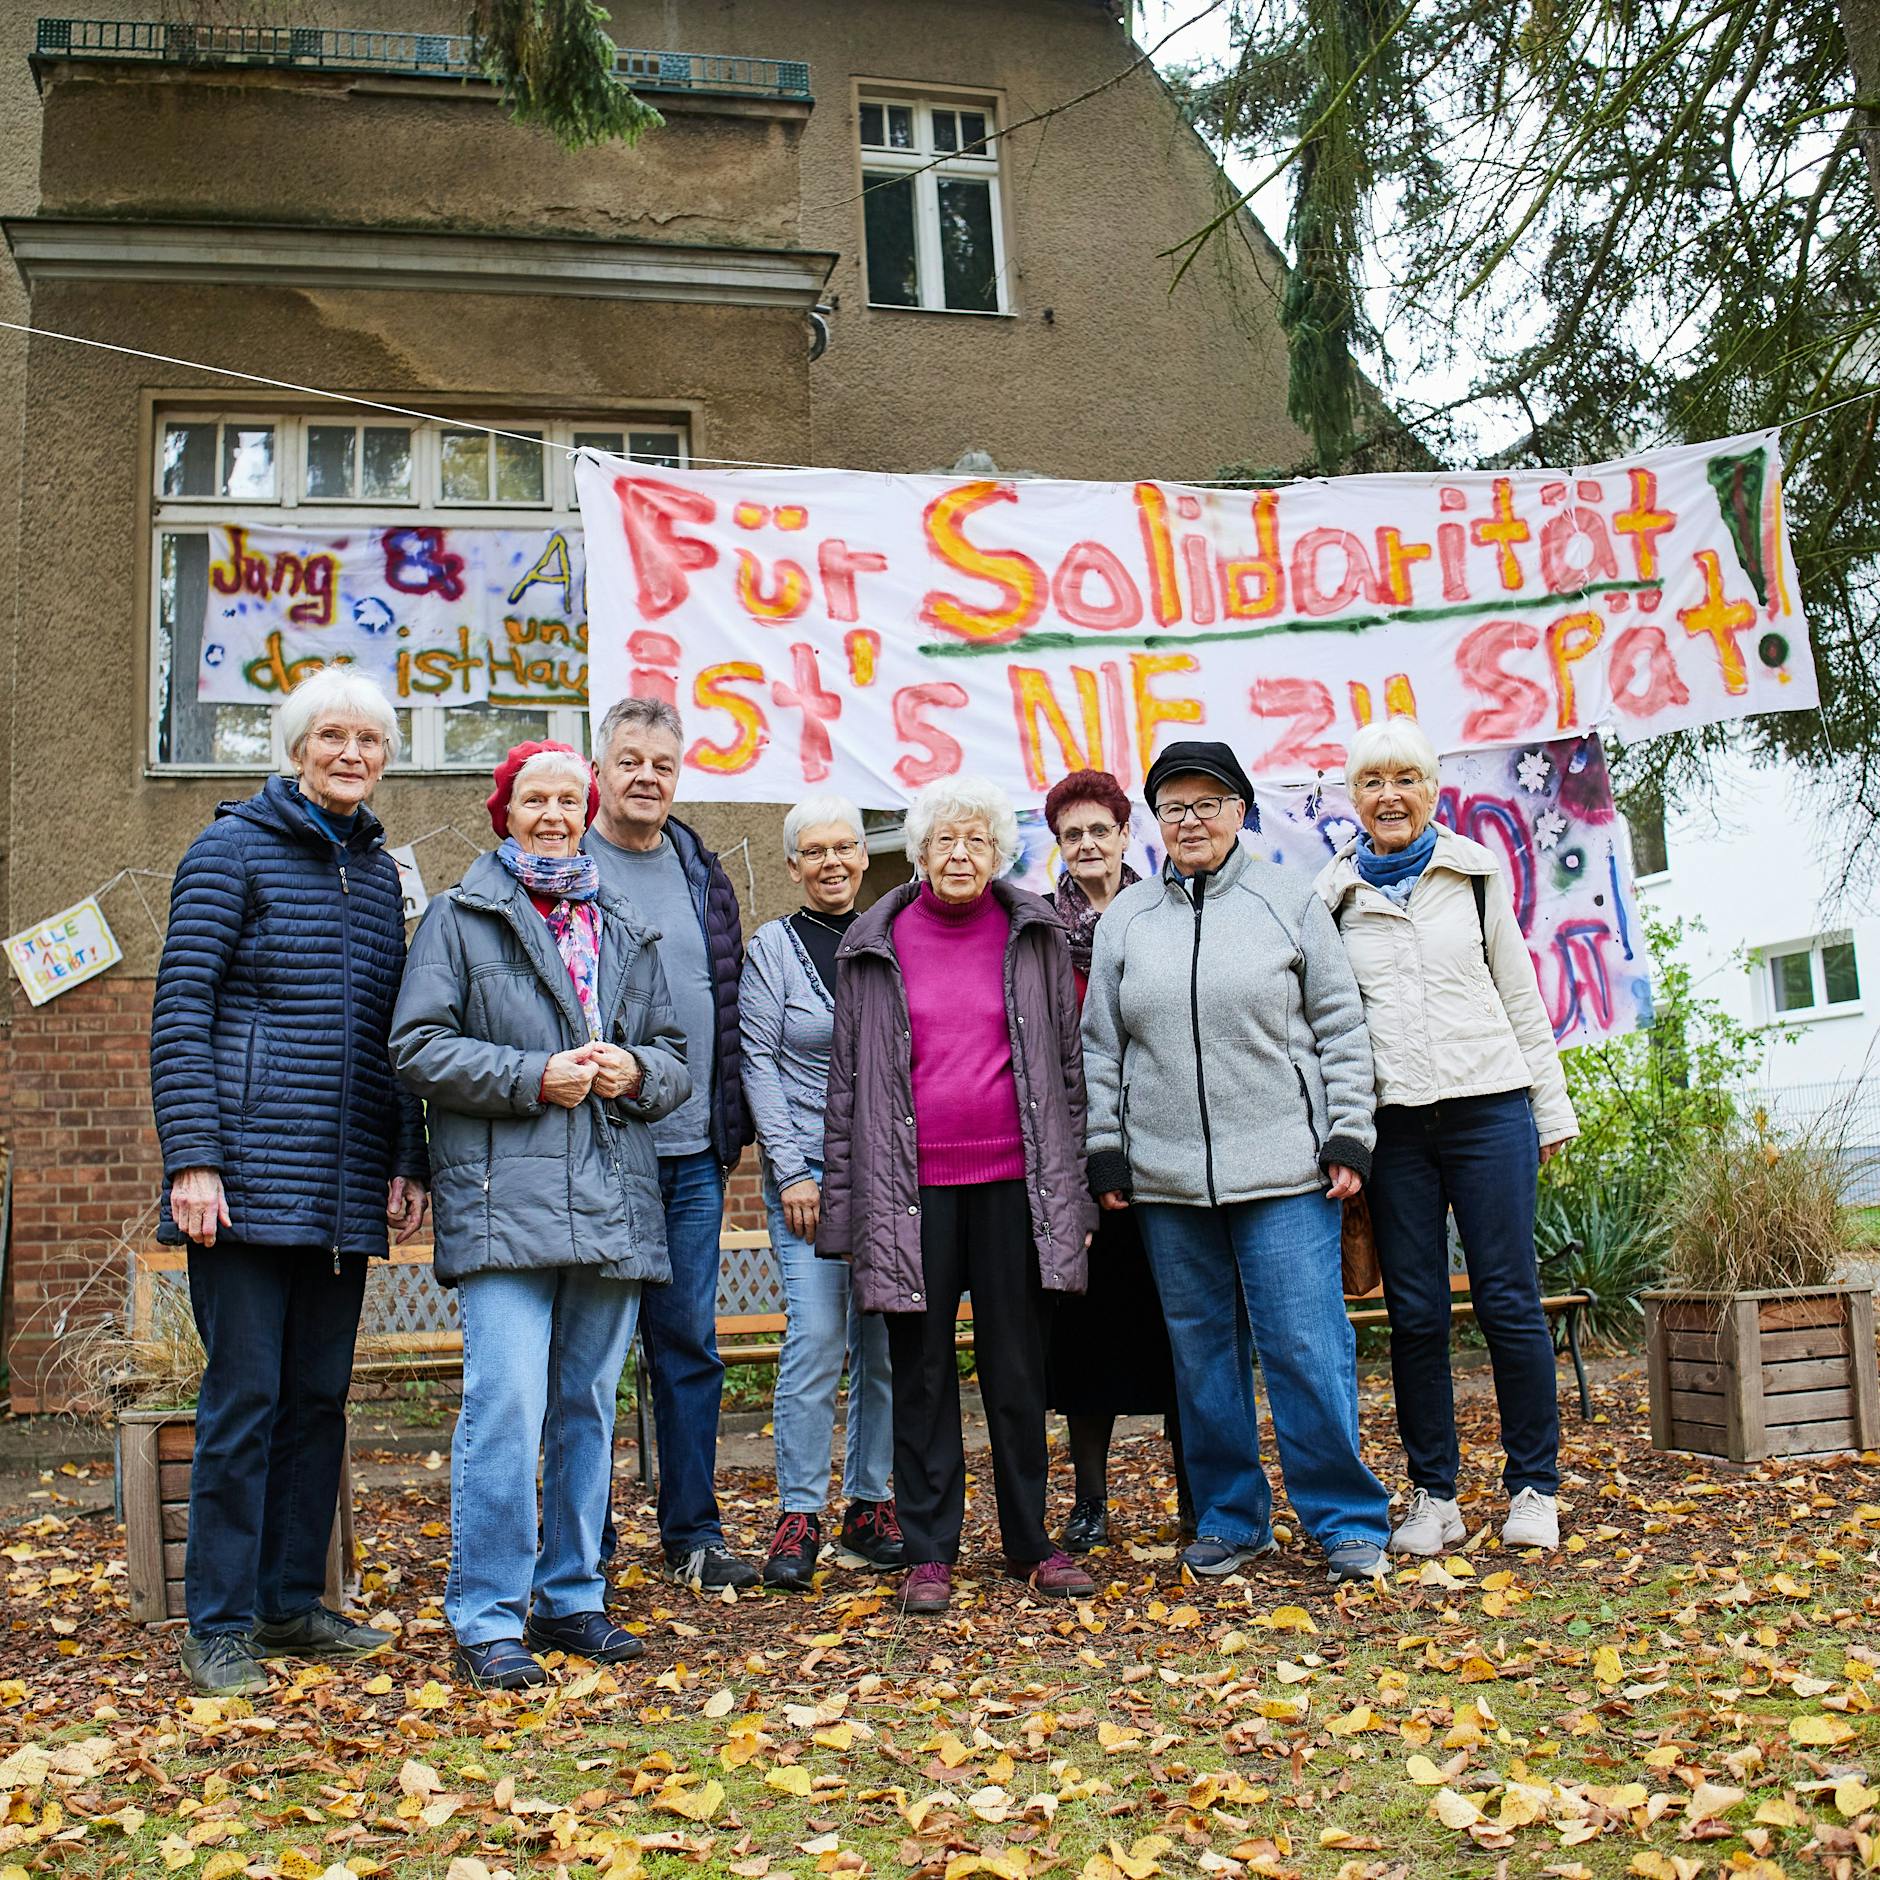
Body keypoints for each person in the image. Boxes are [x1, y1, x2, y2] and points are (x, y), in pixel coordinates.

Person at [150, 666, 429, 1696]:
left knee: (317, 1398)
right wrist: (193, 1156)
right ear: (296, 746)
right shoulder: (229, 850)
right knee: (244, 1398)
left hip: (344, 1183)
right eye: (333, 736)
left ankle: (290, 1602)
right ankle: (217, 1622)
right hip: (244, 1181)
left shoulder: (378, 876)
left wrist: (407, 1157)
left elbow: (396, 1034)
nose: (351, 753)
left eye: (369, 739)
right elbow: (181, 1007)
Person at [390, 742, 691, 1689]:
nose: (554, 813)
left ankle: (572, 1597)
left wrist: (636, 1071)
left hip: (610, 1197)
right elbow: (417, 1046)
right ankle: (486, 1611)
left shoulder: (627, 925)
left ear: (586, 807)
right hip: (503, 1203)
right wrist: (530, 1076)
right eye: (535, 799)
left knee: (587, 1409)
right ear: (504, 810)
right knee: (506, 1407)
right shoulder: (459, 917)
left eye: (569, 798)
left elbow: (676, 1056)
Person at [1082, 739, 1393, 1586]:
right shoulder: (1127, 919)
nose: (1191, 821)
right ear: (1156, 820)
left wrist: (1349, 1134)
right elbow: (1101, 1048)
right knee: (1203, 1359)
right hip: (1167, 1184)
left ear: (1240, 812)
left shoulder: (1288, 903)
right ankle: (1231, 1519)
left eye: (1208, 804)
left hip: (1288, 1177)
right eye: (1174, 807)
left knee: (1306, 1351)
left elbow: (1340, 1026)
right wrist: (1107, 1152)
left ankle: (1347, 1522)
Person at [819, 777, 1099, 1616]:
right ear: (918, 851)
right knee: (924, 1373)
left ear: (999, 852)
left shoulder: (1036, 934)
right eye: (944, 840)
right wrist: (844, 1212)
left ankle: (1031, 1543)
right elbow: (847, 1088)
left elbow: (1070, 1076)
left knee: (1017, 1371)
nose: (960, 855)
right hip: (912, 1193)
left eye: (976, 840)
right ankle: (930, 1550)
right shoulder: (876, 941)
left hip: (1016, 1187)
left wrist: (1076, 1198)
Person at [1314, 720, 1578, 1554]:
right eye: (1372, 782)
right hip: (1393, 1124)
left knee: (1508, 1300)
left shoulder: (1474, 873)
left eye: (1406, 779)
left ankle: (1534, 1486)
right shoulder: (1332, 898)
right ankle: (1436, 1497)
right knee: (1416, 1312)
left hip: (1488, 1104)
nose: (1389, 796)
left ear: (1433, 789)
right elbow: (1328, 1027)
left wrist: (1550, 1107)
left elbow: (1520, 991)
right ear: (1351, 799)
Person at [584, 697, 758, 1590]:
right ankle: (588, 1545)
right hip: (594, 1151)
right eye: (629, 760)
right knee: (594, 1356)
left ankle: (694, 1534)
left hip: (692, 1152)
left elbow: (722, 996)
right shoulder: (566, 860)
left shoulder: (700, 868)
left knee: (687, 1345)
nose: (646, 777)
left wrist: (732, 1124)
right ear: (599, 769)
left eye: (661, 763)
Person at [739, 796, 902, 1590]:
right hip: (808, 1178)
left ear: (863, 858)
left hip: (888, 1180)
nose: (832, 862)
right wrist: (792, 1169)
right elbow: (758, 1062)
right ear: (794, 864)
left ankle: (870, 1507)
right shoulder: (772, 948)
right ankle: (798, 1513)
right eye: (815, 851)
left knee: (882, 1348)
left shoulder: (893, 935)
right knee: (815, 1344)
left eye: (845, 847)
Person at [1038, 769, 1189, 1552]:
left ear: (1128, 835)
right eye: (1073, 834)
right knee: (1088, 1336)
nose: (1089, 844)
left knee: (1183, 1330)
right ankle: (1090, 1500)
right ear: (1058, 846)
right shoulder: (1035, 932)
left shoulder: (1164, 913)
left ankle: (1200, 1494)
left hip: (1169, 1152)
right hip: (1080, 1163)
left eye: (1101, 829)